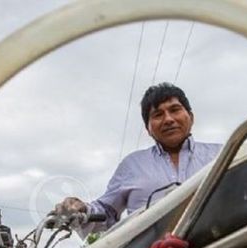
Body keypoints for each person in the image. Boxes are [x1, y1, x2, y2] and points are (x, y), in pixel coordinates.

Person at [55, 82, 222, 232]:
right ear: (148, 129)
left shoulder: (223, 154)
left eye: (174, 110)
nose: (168, 119)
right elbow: (107, 212)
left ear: (190, 117)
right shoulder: (133, 164)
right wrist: (82, 209)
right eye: (158, 115)